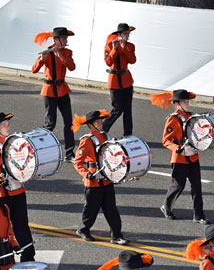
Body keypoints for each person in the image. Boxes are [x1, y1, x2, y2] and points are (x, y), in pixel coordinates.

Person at [0, 112, 36, 261]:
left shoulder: (15, 143)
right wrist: (0, 178)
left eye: (8, 125)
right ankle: (5, 258)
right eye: (4, 125)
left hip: (18, 190)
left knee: (22, 225)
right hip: (3, 194)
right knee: (4, 228)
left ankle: (28, 256)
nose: (8, 127)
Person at [72, 110, 126, 244]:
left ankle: (116, 235)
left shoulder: (106, 136)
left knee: (111, 209)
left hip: (107, 179)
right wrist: (86, 174)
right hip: (93, 181)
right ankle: (84, 230)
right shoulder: (86, 140)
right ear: (90, 125)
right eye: (97, 123)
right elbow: (77, 162)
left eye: (101, 122)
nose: (101, 125)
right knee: (91, 210)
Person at [152, 89, 207, 223]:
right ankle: (167, 207)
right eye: (184, 102)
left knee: (197, 186)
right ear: (177, 104)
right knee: (178, 186)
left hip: (193, 156)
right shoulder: (173, 118)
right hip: (180, 158)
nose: (187, 104)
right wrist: (178, 149)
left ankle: (199, 216)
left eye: (188, 101)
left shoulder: (192, 116)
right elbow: (166, 140)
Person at [32, 27, 76, 161]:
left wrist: (61, 56)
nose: (65, 40)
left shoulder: (67, 52)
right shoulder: (47, 53)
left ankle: (69, 153)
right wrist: (41, 59)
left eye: (66, 38)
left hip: (62, 89)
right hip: (49, 90)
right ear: (56, 40)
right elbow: (34, 70)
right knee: (50, 123)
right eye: (63, 38)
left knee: (69, 123)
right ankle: (43, 152)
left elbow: (72, 67)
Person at [102, 23, 137, 137]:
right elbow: (108, 62)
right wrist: (115, 49)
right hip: (114, 81)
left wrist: (123, 48)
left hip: (126, 79)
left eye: (128, 34)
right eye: (125, 34)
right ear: (119, 34)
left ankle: (128, 133)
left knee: (128, 109)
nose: (127, 36)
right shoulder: (109, 45)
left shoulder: (130, 46)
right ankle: (103, 128)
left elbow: (132, 60)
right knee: (117, 108)